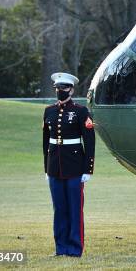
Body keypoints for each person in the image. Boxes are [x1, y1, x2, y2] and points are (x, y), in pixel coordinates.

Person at [43, 72, 95, 257]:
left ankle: (74, 249)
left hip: (75, 167)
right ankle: (60, 248)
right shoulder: (49, 111)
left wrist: (88, 169)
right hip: (55, 167)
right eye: (57, 88)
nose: (60, 91)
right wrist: (46, 168)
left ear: (71, 90)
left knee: (74, 209)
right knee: (59, 209)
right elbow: (46, 142)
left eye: (64, 88)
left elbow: (89, 142)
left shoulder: (81, 111)